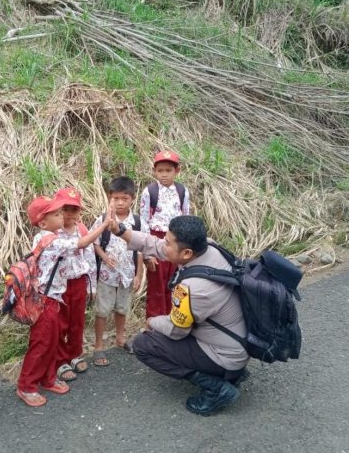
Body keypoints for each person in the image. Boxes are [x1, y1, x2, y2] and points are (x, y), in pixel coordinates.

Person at [106, 215, 249, 416]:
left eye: (168, 242)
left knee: (144, 345)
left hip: (224, 355)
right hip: (237, 341)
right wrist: (120, 231)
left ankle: (217, 387)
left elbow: (177, 331)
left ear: (186, 253)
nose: (164, 245)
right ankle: (233, 373)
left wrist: (152, 321)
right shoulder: (210, 247)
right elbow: (155, 245)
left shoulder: (194, 290)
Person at [16, 196, 112, 407]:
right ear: (42, 223)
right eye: (57, 214)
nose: (63, 217)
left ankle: (48, 377)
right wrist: (104, 225)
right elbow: (83, 243)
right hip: (45, 300)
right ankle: (26, 385)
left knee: (50, 341)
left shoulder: (50, 237)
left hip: (53, 298)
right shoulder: (50, 241)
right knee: (41, 343)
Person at [90, 176, 143, 366]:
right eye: (116, 198)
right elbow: (94, 243)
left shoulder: (137, 222)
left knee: (122, 308)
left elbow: (140, 250)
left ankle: (121, 338)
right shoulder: (103, 219)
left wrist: (138, 275)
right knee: (102, 310)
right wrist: (104, 257)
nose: (120, 203)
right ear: (109, 197)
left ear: (132, 198)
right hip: (106, 274)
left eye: (125, 198)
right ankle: (98, 346)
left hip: (127, 275)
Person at [139, 150, 191, 320]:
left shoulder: (182, 191)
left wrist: (185, 246)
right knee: (156, 285)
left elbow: (186, 218)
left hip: (176, 241)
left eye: (168, 170)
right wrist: (148, 253)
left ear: (177, 171)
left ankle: (173, 320)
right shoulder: (150, 192)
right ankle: (154, 322)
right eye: (160, 170)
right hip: (156, 239)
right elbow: (144, 221)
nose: (164, 175)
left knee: (175, 282)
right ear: (155, 171)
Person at [53, 188, 97, 382]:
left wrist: (92, 285)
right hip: (59, 285)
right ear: (57, 210)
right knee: (60, 323)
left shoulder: (82, 230)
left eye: (74, 209)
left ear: (80, 212)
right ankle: (60, 360)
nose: (69, 213)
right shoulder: (52, 231)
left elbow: (90, 258)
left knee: (76, 321)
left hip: (78, 282)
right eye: (65, 209)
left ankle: (74, 354)